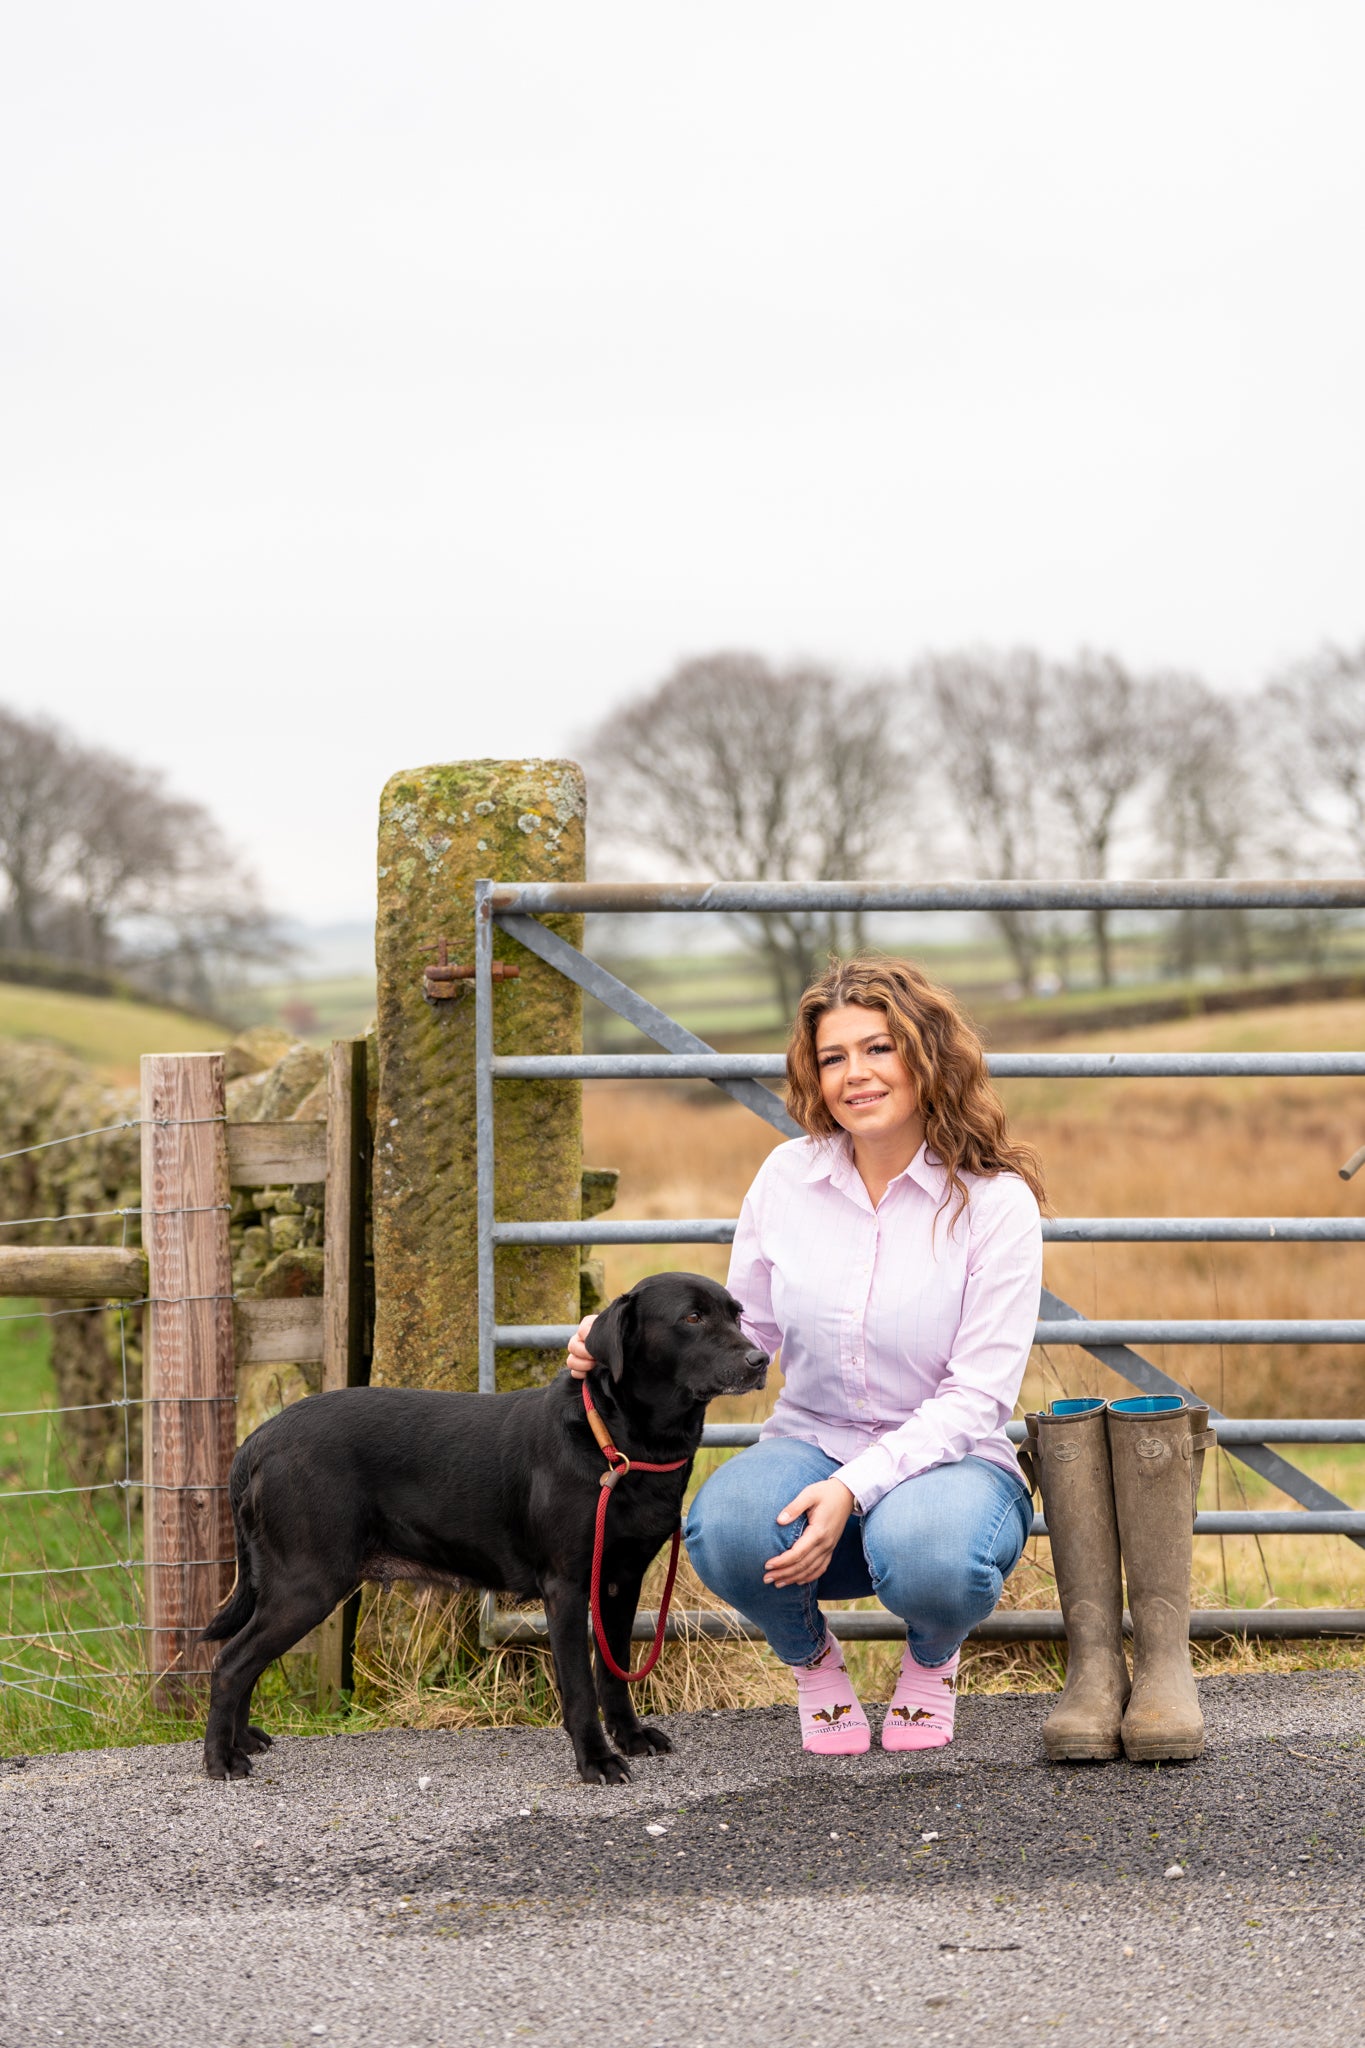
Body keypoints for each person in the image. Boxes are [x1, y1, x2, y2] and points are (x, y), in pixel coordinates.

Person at [568, 955, 1045, 1757]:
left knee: (930, 1555)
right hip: (810, 1438)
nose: (855, 1075)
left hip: (950, 1462)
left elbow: (978, 1396)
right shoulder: (787, 1179)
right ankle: (812, 1662)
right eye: (833, 1058)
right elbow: (737, 1336)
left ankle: (931, 1657)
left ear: (927, 1056)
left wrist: (849, 1487)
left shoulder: (994, 1204)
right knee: (723, 1531)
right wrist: (614, 1333)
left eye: (878, 1049)